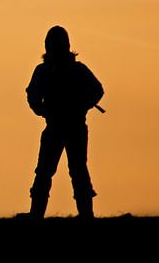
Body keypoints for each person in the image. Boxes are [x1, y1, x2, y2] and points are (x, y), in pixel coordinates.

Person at [24, 26, 104, 219]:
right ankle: (41, 215)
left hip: (67, 127)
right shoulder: (51, 71)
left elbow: (97, 91)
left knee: (69, 171)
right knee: (56, 171)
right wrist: (44, 111)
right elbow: (33, 96)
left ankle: (82, 214)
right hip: (61, 127)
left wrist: (81, 106)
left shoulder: (54, 71)